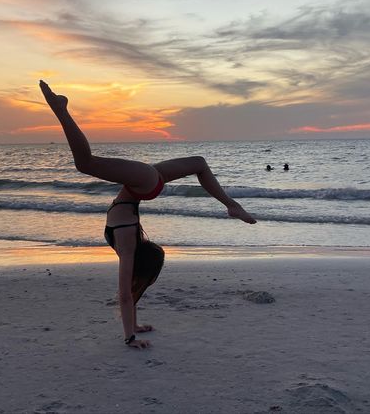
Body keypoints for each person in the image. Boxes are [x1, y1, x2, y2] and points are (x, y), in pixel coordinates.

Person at [39, 81, 256, 349]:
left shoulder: (129, 239)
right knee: (86, 164)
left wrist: (133, 331)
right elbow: (125, 294)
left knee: (199, 163)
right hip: (144, 184)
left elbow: (128, 293)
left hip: (145, 185)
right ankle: (60, 109)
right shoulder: (128, 239)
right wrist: (130, 336)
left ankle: (231, 205)